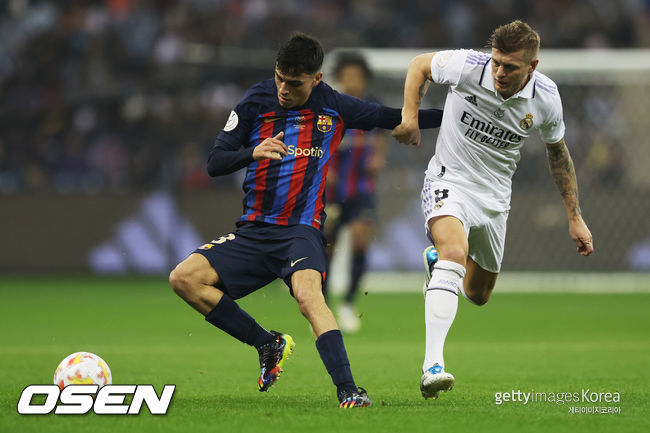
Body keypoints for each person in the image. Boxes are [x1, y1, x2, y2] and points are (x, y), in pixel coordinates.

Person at [169, 32, 443, 408]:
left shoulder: (334, 105)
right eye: (280, 78)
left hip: (301, 232)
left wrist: (454, 119)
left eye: (293, 83)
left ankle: (348, 389)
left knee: (309, 297)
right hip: (254, 230)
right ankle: (267, 343)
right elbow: (215, 162)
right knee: (184, 278)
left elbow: (389, 117)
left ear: (316, 79)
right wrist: (253, 151)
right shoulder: (256, 100)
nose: (283, 88)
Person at [392, 20, 594, 400]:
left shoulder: (546, 97)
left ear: (531, 67)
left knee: (478, 294)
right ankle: (432, 366)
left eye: (510, 67)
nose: (499, 72)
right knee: (455, 254)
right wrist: (409, 116)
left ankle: (438, 264)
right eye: (497, 62)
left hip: (496, 197)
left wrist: (574, 215)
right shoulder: (469, 66)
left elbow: (558, 153)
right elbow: (420, 64)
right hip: (448, 180)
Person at [324, 53, 388, 333]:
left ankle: (349, 303)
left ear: (363, 78)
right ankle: (323, 304)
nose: (351, 81)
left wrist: (379, 158)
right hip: (330, 190)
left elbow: (384, 133)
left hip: (362, 187)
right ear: (340, 78)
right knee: (327, 247)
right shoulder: (330, 107)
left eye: (356, 75)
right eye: (346, 75)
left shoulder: (372, 107)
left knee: (361, 240)